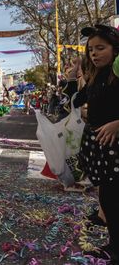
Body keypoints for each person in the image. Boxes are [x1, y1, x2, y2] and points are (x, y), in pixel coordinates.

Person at [65, 24, 119, 262]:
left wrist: (118, 124)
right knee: (108, 198)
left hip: (115, 146)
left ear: (115, 49)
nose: (95, 53)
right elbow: (78, 100)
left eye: (101, 48)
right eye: (91, 50)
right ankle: (114, 245)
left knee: (113, 199)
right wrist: (70, 80)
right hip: (101, 146)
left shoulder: (117, 74)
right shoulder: (97, 76)